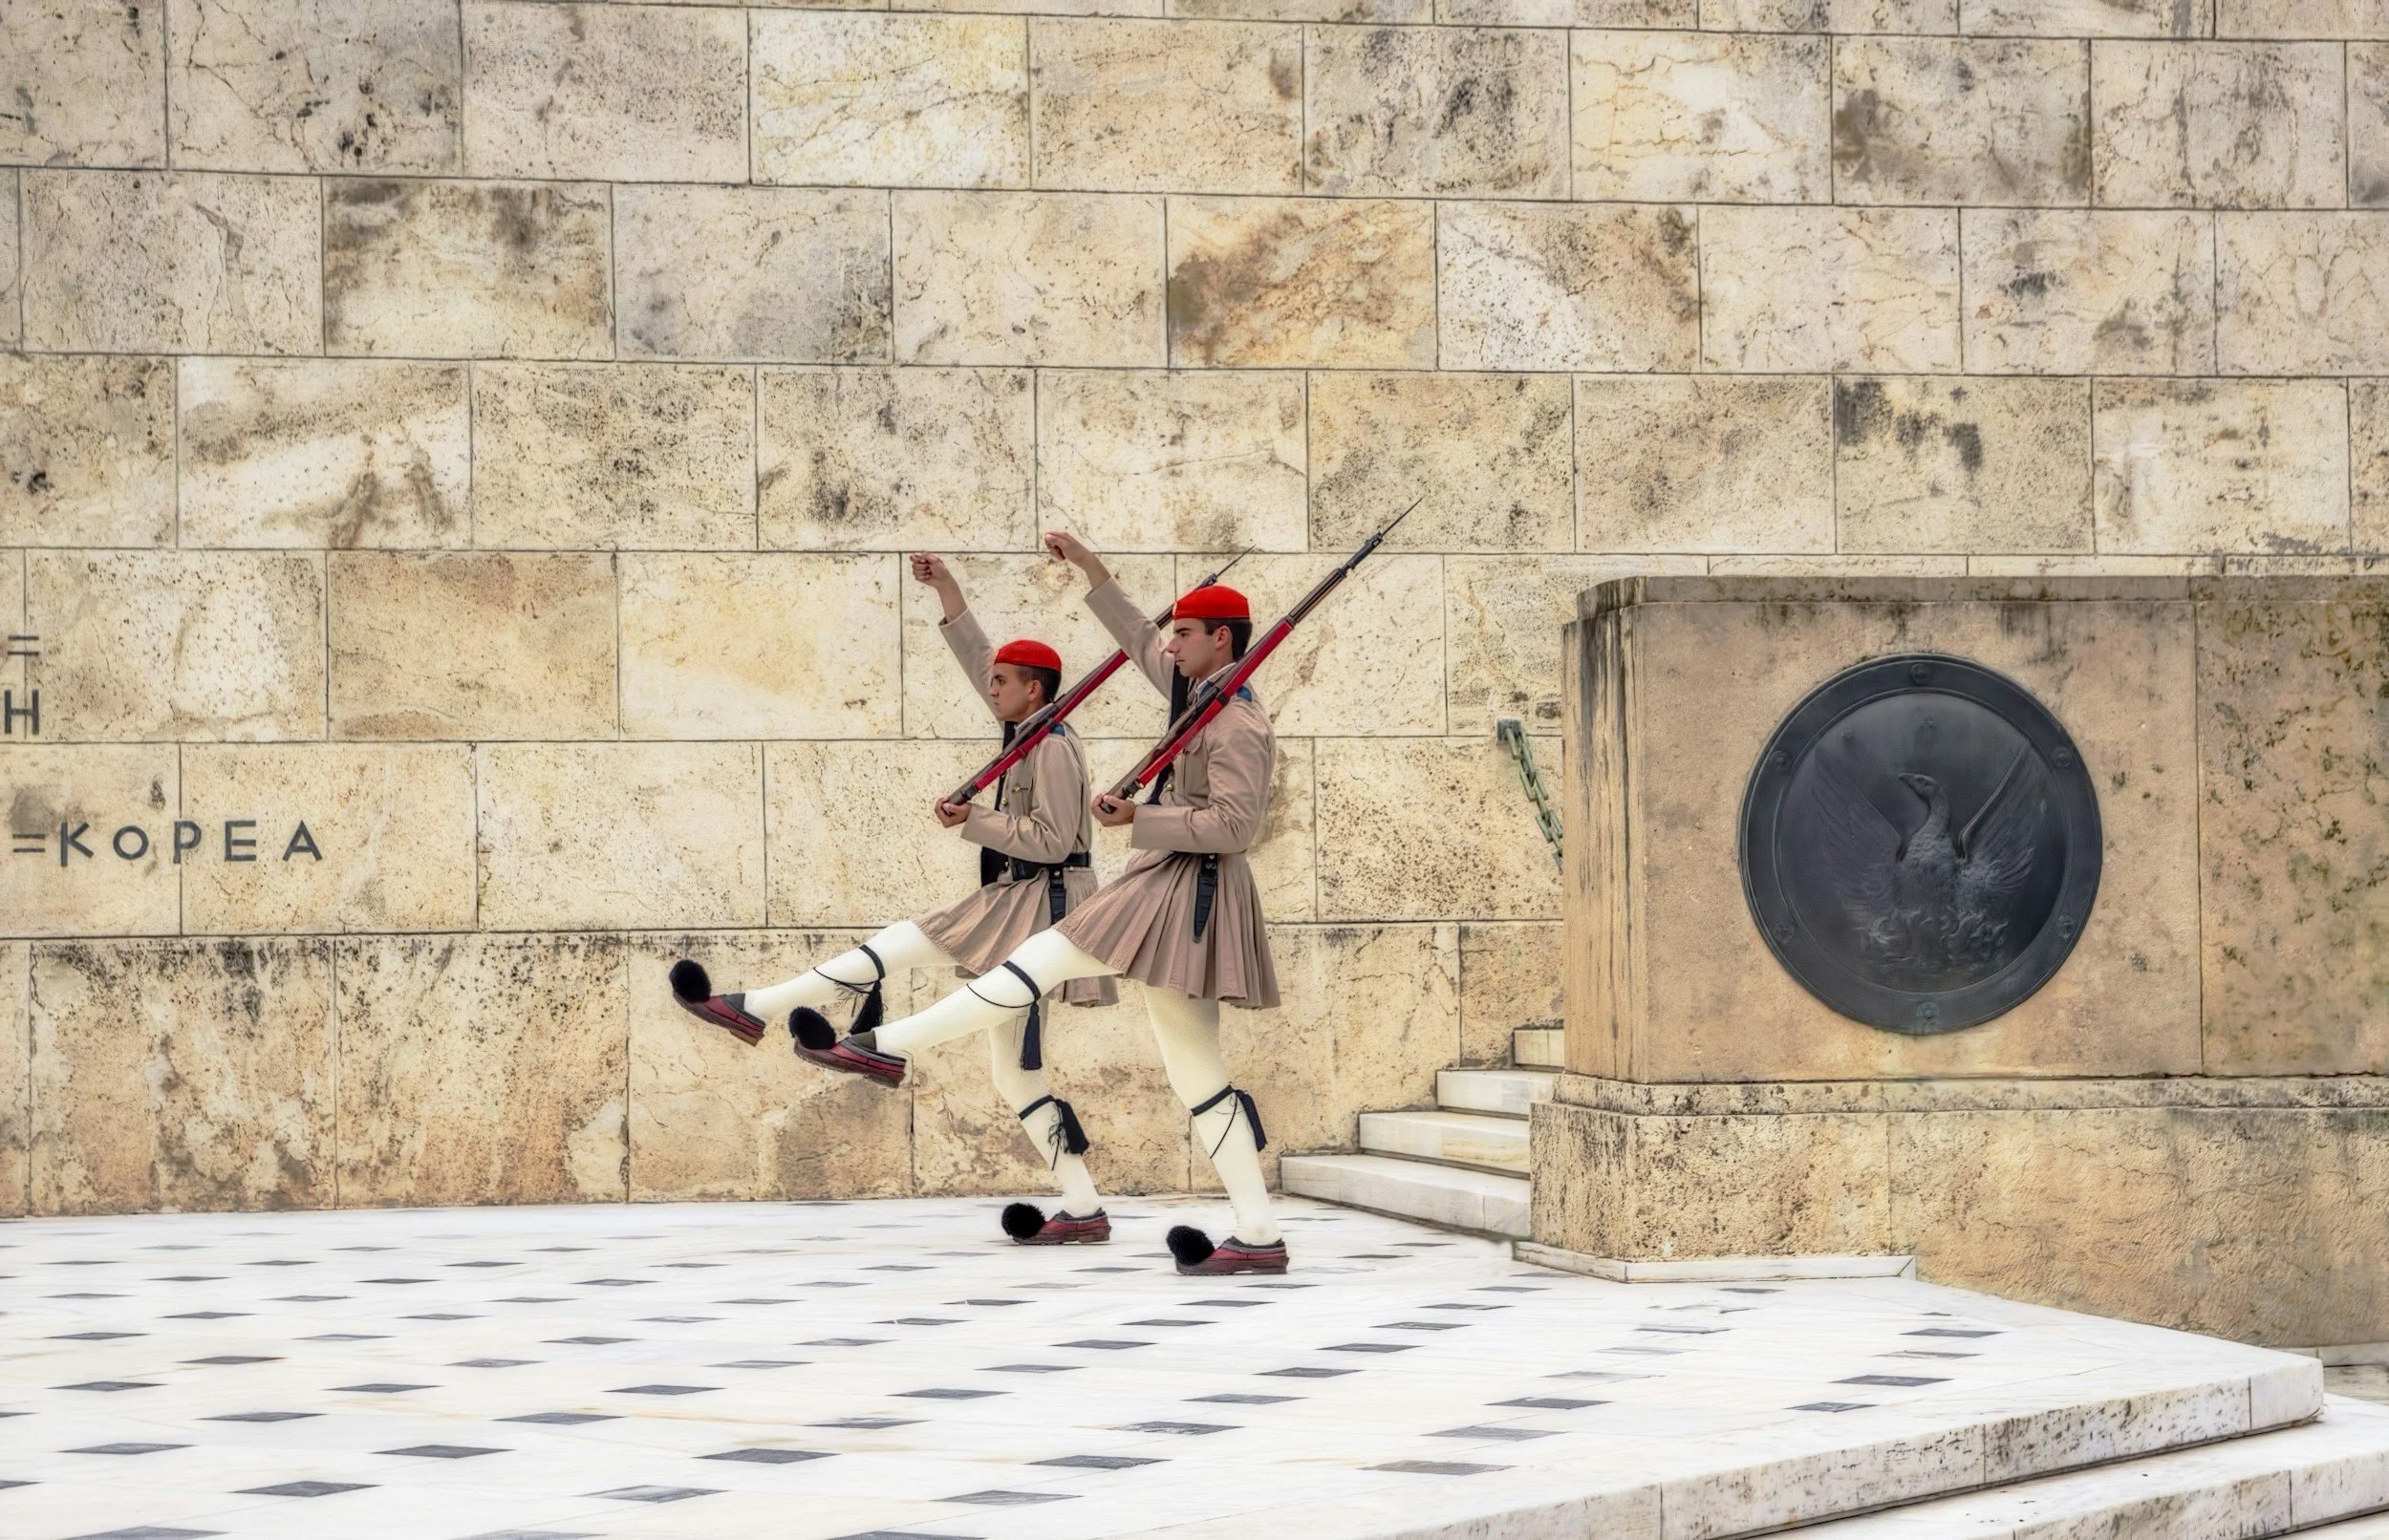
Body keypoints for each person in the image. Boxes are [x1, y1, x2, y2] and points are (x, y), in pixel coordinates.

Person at [789, 531, 1288, 1277]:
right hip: (1165, 884)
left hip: (1188, 890)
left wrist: (1136, 819)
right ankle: (1257, 1235)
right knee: (1197, 1075)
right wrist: (1091, 569)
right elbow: (1133, 637)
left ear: (1222, 640)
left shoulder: (1240, 722)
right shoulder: (1198, 695)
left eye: (1185, 634)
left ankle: (881, 1046)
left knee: (1039, 961)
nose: (1171, 646)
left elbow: (1236, 825)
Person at [668, 552, 1119, 1246]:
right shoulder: (1026, 729)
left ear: (1035, 690)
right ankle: (1084, 1208)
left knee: (910, 947)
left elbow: (1056, 839)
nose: (989, 689)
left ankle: (759, 1010)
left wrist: (974, 820)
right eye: (992, 680)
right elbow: (979, 662)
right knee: (1014, 1075)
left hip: (1042, 901)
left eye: (1003, 683)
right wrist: (949, 594)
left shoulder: (1053, 748)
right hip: (1014, 897)